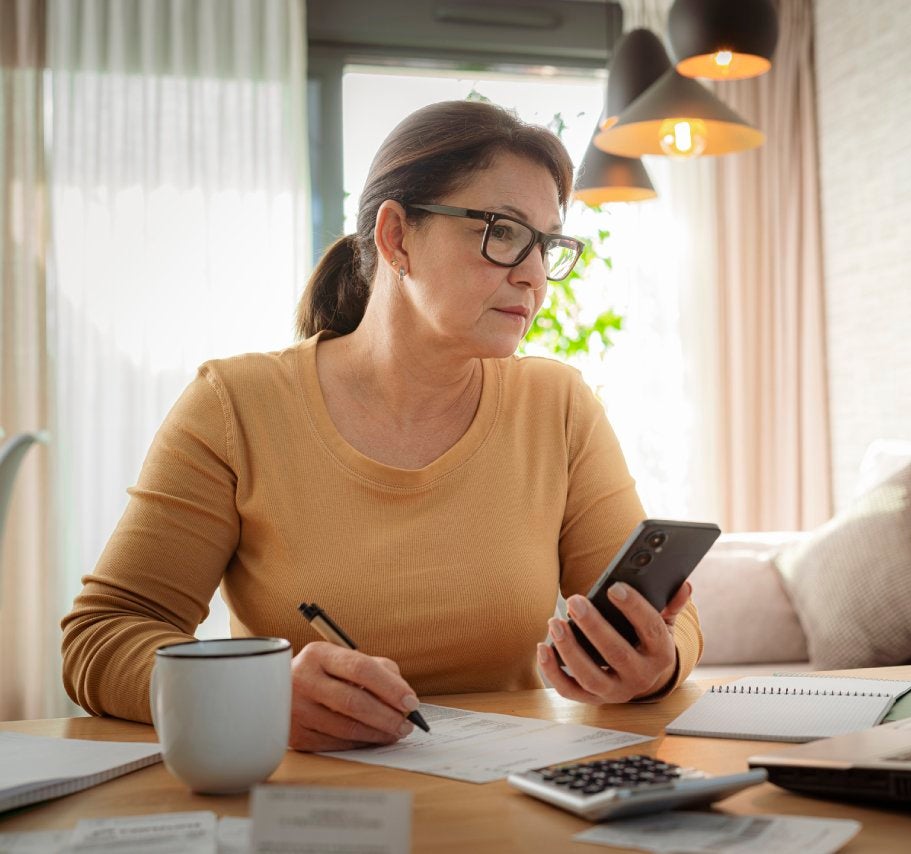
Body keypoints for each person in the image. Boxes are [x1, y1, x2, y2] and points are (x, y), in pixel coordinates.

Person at [61, 100, 703, 752]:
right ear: (396, 237)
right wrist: (256, 694)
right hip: (310, 817)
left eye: (546, 244)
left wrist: (657, 664)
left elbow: (665, 621)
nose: (534, 275)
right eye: (503, 232)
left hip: (514, 806)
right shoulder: (234, 405)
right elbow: (104, 634)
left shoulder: (558, 405)